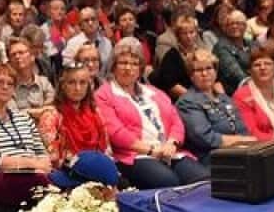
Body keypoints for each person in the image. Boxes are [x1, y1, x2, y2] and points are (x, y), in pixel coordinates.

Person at [96, 48, 209, 188]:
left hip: (168, 151)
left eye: (134, 64)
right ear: (113, 67)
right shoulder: (104, 94)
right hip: (135, 154)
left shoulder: (153, 91)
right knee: (167, 182)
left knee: (203, 179)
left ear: (140, 69)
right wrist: (151, 150)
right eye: (123, 63)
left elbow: (176, 121)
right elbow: (115, 132)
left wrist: (172, 143)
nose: (128, 68)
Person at [0, 63, 52, 212]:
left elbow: (42, 152)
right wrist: (32, 164)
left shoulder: (24, 118)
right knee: (44, 184)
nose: (5, 87)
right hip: (3, 177)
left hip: (35, 174)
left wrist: (42, 164)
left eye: (10, 84)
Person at [175, 49, 256, 165]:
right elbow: (205, 138)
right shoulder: (187, 102)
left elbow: (242, 129)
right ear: (191, 76)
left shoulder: (224, 98)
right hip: (211, 157)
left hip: (239, 151)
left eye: (209, 68)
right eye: (198, 70)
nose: (205, 74)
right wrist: (241, 141)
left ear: (216, 72)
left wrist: (248, 143)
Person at [152, 14, 202, 99]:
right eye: (184, 33)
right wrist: (196, 99)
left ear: (196, 33)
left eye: (191, 32)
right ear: (178, 35)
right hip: (183, 100)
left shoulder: (201, 52)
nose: (189, 36)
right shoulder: (172, 55)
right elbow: (172, 86)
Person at [214, 10, 252, 95]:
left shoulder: (251, 43)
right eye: (231, 24)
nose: (234, 26)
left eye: (238, 23)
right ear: (226, 28)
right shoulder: (221, 46)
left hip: (255, 87)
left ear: (245, 26)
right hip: (233, 92)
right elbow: (235, 74)